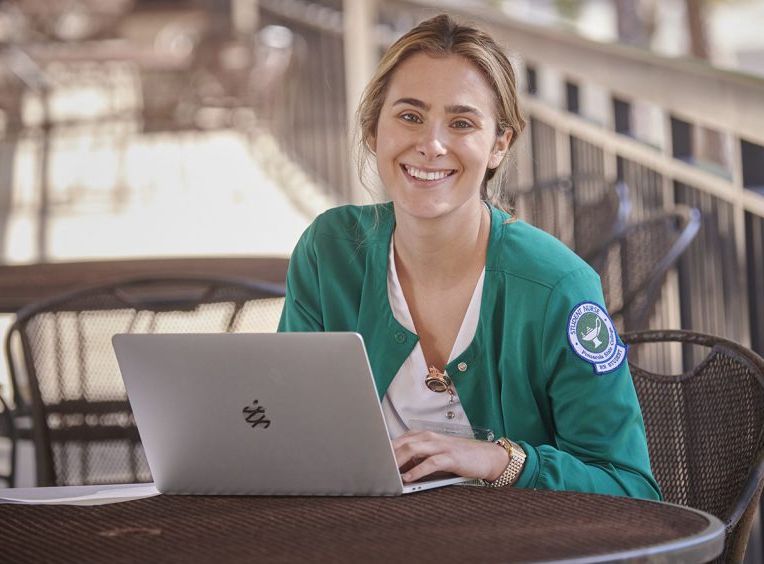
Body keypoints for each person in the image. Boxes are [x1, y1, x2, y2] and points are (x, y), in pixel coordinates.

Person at [278, 14, 661, 499]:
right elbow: (285, 432)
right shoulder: (328, 252)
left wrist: (501, 460)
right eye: (410, 116)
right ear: (374, 131)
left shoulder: (559, 287)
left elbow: (631, 491)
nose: (431, 145)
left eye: (461, 123)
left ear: (498, 145)